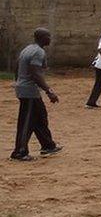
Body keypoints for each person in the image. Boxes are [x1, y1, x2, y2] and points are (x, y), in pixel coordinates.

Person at [10, 28, 62, 162]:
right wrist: (49, 91)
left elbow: (17, 66)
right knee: (26, 122)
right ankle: (19, 152)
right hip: (29, 92)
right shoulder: (38, 52)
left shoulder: (27, 49)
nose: (50, 38)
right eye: (48, 36)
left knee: (40, 117)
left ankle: (48, 145)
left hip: (26, 89)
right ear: (42, 37)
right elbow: (35, 74)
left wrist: (18, 82)